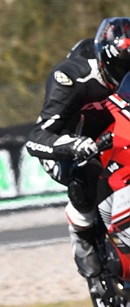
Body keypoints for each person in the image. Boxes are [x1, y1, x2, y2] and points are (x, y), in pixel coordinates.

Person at [26, 17, 130, 285]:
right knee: (84, 175)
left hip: (112, 130)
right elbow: (36, 138)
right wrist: (74, 145)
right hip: (67, 141)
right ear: (107, 60)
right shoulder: (71, 77)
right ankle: (81, 233)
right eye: (123, 67)